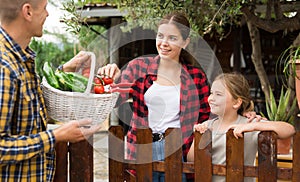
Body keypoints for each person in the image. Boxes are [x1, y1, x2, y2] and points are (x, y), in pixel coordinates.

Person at [99, 11, 211, 181]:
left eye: (172, 38)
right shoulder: (138, 67)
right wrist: (110, 79)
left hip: (178, 151)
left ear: (185, 42)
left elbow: (207, 116)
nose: (164, 43)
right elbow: (113, 99)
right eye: (161, 36)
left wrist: (247, 113)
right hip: (141, 147)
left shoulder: (196, 77)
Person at [0, 0, 100, 181]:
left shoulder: (20, 59)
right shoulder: (4, 68)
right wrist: (54, 136)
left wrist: (64, 71)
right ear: (28, 12)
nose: (47, 14)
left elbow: (26, 101)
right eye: (45, 8)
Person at [187, 72, 296, 182]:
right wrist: (198, 137)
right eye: (211, 93)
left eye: (218, 94)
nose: (211, 98)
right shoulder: (207, 125)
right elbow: (191, 160)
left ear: (237, 103)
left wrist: (253, 126)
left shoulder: (249, 124)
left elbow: (289, 129)